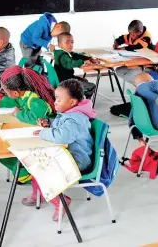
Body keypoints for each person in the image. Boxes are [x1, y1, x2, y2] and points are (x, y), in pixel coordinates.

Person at [27, 79, 95, 221]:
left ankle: (61, 201)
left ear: (72, 102)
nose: (55, 102)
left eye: (58, 99)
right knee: (33, 162)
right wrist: (49, 123)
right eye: (55, 98)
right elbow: (61, 126)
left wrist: (42, 133)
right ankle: (38, 193)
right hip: (67, 154)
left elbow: (62, 135)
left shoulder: (75, 119)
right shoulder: (69, 113)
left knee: (42, 169)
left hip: (77, 160)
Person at [0, 65, 57, 183]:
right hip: (35, 135)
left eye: (4, 90)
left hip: (48, 141)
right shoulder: (24, 93)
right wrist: (0, 103)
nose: (3, 92)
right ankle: (22, 170)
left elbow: (36, 118)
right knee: (2, 148)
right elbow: (14, 101)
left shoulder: (35, 101)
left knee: (3, 148)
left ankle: (27, 173)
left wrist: (19, 114)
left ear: (15, 92)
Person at [53, 32, 98, 99]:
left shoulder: (61, 52)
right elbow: (70, 64)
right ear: (59, 44)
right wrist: (82, 62)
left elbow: (75, 55)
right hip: (66, 82)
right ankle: (84, 101)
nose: (70, 45)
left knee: (85, 81)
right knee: (92, 86)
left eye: (72, 42)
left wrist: (88, 58)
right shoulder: (63, 55)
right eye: (67, 42)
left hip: (63, 79)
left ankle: (78, 96)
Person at [114, 20, 153, 86]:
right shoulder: (132, 34)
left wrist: (124, 48)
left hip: (145, 65)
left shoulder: (146, 37)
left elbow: (138, 47)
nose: (131, 36)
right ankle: (140, 84)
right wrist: (116, 42)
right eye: (130, 33)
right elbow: (123, 38)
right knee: (118, 71)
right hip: (134, 62)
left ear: (140, 32)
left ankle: (143, 86)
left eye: (133, 35)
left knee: (129, 75)